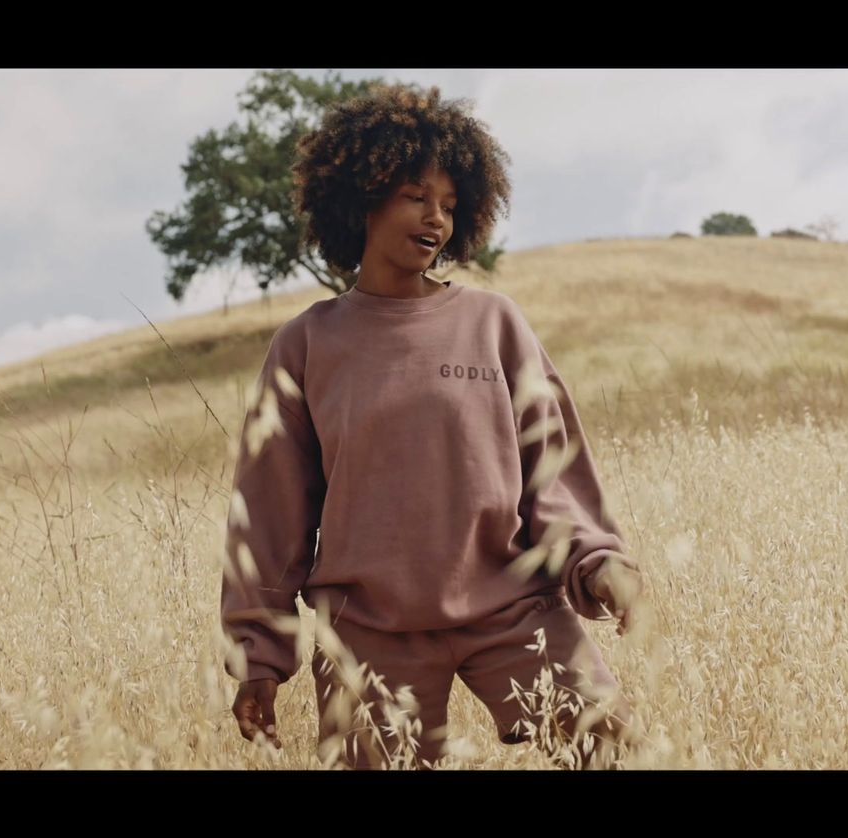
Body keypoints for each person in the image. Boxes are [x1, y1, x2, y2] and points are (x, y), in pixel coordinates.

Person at [221, 82, 644, 770]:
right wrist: (257, 656)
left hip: (512, 605)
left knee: (615, 755)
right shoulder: (305, 345)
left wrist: (597, 561)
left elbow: (553, 470)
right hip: (367, 632)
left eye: (449, 205)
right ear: (363, 199)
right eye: (416, 198)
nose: (436, 220)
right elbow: (270, 513)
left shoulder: (494, 324)